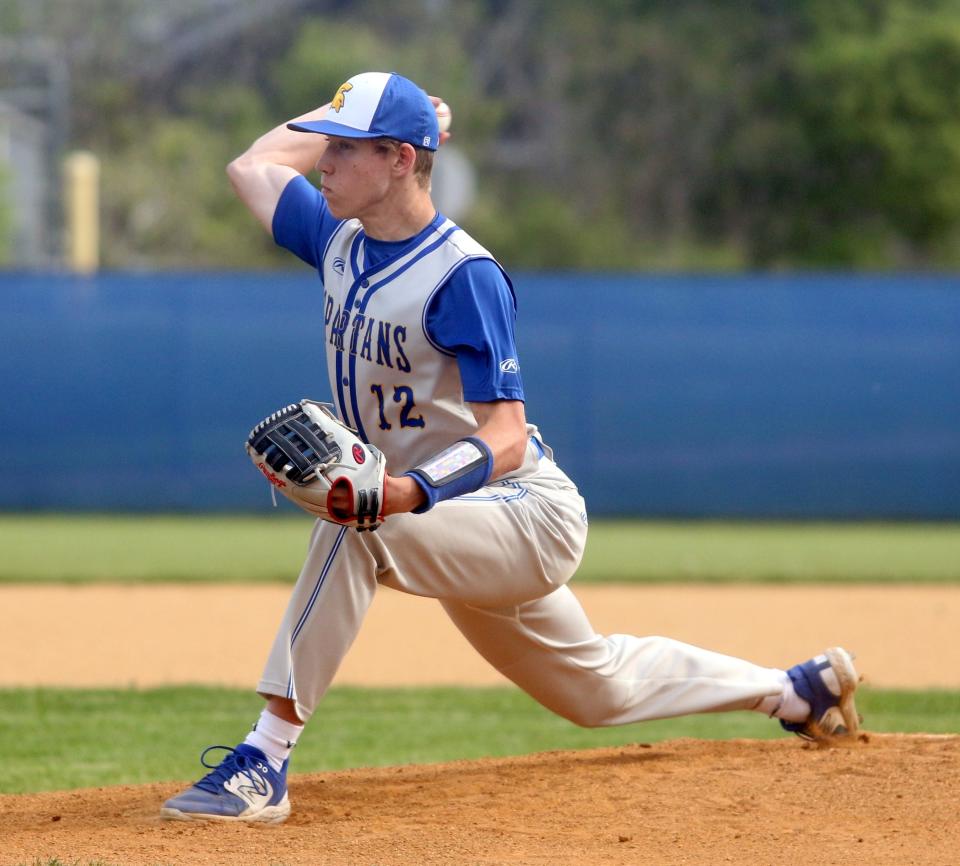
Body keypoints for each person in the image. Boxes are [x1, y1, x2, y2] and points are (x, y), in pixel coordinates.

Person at [160, 71, 860, 824]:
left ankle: (265, 758)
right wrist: (388, 119)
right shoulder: (335, 237)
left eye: (344, 147)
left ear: (398, 160)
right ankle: (793, 691)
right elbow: (252, 167)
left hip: (522, 511)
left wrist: (406, 493)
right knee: (599, 692)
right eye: (324, 144)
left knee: (357, 526)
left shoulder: (463, 276)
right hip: (450, 520)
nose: (322, 162)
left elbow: (503, 434)